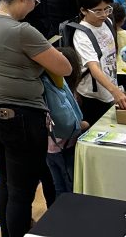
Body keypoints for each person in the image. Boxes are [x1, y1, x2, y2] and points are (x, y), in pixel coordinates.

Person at [0, 0, 72, 237]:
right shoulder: (21, 31)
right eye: (35, 1)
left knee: (7, 181)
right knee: (21, 192)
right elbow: (64, 68)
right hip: (18, 118)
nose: (35, 7)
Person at [72, 0, 126, 126]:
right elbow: (94, 68)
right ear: (83, 10)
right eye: (97, 11)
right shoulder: (82, 35)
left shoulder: (108, 22)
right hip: (92, 97)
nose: (104, 14)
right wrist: (115, 91)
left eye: (107, 9)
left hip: (110, 89)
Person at [45, 46, 86, 196]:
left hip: (50, 150)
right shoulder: (65, 94)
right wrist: (84, 125)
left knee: (58, 186)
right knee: (70, 187)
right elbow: (68, 123)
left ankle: (56, 214)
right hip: (65, 148)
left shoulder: (48, 88)